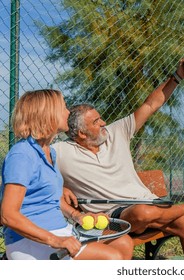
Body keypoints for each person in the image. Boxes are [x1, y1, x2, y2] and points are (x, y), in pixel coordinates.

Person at [54, 58, 184, 260]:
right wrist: (60, 187)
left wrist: (178, 76)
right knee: (143, 214)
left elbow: (151, 104)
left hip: (150, 203)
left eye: (100, 117)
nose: (104, 122)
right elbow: (32, 172)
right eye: (96, 122)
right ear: (82, 134)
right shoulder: (61, 151)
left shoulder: (116, 132)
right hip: (115, 215)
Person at [0, 89, 133, 260]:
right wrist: (55, 240)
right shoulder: (22, 155)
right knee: (111, 258)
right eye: (63, 107)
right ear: (48, 114)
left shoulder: (49, 152)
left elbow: (52, 197)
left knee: (124, 243)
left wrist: (77, 215)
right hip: (28, 241)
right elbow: (8, 215)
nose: (68, 112)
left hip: (59, 230)